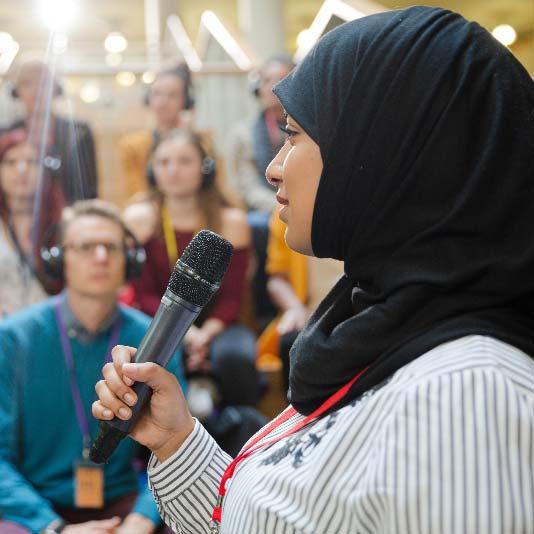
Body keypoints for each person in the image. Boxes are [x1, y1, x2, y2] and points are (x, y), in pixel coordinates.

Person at [93, 6, 534, 534]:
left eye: (296, 134)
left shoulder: (468, 400)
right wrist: (175, 440)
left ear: (386, 152)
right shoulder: (381, 324)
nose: (275, 165)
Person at [0, 200, 184, 533]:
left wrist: (142, 519)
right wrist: (54, 528)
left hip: (124, 504)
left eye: (111, 247)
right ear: (59, 259)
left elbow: (178, 443)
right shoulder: (13, 338)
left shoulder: (155, 337)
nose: (100, 257)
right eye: (86, 246)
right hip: (37, 508)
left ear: (128, 260)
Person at [124, 130, 264, 454]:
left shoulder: (231, 221)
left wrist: (204, 333)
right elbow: (142, 295)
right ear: (152, 171)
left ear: (206, 167)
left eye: (184, 161)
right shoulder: (139, 219)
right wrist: (183, 334)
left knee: (235, 357)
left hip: (219, 325)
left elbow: (232, 299)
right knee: (148, 359)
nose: (173, 170)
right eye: (164, 162)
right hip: (156, 321)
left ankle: (244, 448)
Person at [227, 56, 295, 328]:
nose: (273, 87)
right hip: (263, 209)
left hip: (300, 203)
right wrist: (278, 204)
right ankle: (263, 309)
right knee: (256, 226)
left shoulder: (309, 128)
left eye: (281, 79)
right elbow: (246, 186)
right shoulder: (243, 133)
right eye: (267, 80)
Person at [258, 211, 344, 390]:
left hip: (359, 307)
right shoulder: (285, 210)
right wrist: (295, 308)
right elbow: (276, 279)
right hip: (308, 314)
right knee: (292, 343)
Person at [5, 61, 98, 202]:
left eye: (44, 83)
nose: (36, 90)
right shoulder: (5, 134)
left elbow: (89, 187)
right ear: (15, 91)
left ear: (56, 89)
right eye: (27, 84)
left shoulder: (79, 132)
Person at [0, 127, 65, 316]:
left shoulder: (66, 224)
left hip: (52, 331)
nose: (21, 170)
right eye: (11, 162)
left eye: (31, 162)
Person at [119, 64, 194, 199]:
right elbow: (136, 195)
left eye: (172, 95)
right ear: (148, 98)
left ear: (186, 101)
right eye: (157, 94)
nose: (163, 102)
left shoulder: (201, 144)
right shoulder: (132, 146)